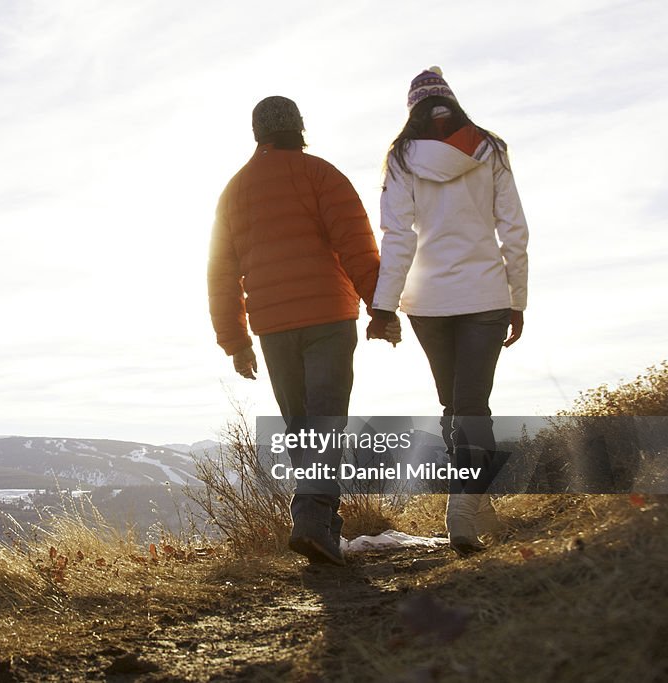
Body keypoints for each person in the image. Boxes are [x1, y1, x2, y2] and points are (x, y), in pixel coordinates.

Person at [207, 96, 398, 567]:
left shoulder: (234, 191)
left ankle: (323, 528)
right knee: (326, 419)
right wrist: (380, 308)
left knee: (300, 428)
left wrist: (236, 341)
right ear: (299, 127)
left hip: (273, 327)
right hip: (329, 319)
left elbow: (220, 274)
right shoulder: (321, 175)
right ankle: (312, 519)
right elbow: (357, 246)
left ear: (258, 134)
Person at [371, 67, 529, 555]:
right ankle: (464, 507)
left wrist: (384, 305)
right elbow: (515, 233)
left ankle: (473, 507)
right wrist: (517, 300)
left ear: (413, 110)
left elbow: (398, 237)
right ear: (452, 104)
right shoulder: (489, 149)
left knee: (454, 405)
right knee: (472, 404)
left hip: (429, 301)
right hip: (485, 295)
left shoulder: (400, 158)